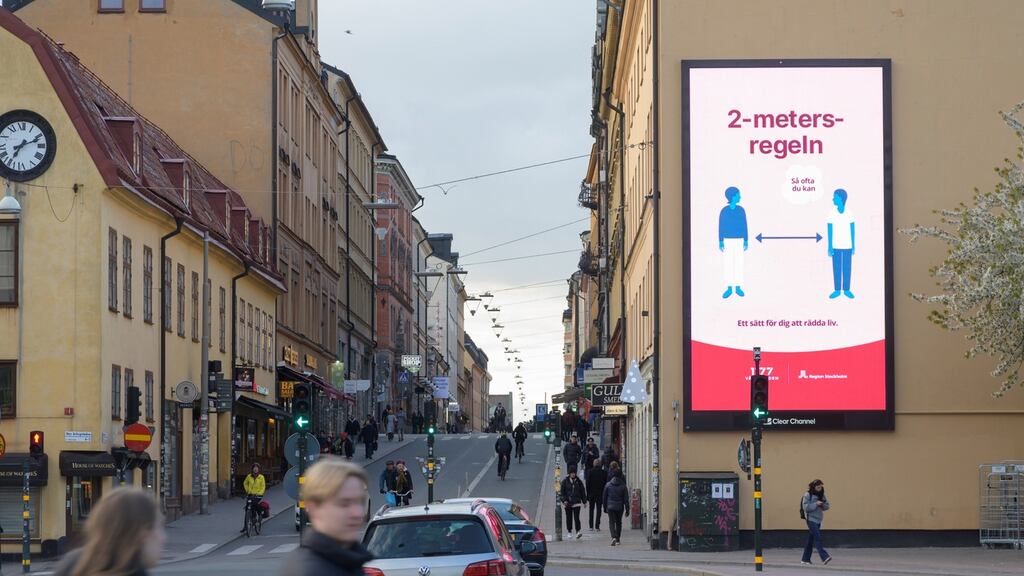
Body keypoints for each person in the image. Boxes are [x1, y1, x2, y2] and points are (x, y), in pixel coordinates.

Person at [279, 457, 373, 575]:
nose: (358, 513)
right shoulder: (311, 570)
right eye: (344, 503)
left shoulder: (346, 559)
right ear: (314, 508)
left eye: (359, 501)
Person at [54, 488, 164, 576]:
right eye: (158, 527)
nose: (163, 538)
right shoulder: (132, 571)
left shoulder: (72, 564)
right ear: (141, 532)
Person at [719, 185, 748, 299]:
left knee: (738, 262)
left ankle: (738, 286)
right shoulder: (724, 211)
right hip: (728, 240)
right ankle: (729, 287)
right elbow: (721, 226)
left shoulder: (741, 210)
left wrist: (746, 240)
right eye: (738, 195)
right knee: (729, 262)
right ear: (733, 196)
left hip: (739, 240)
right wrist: (721, 241)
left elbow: (744, 225)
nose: (740, 196)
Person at [827, 188, 856, 299]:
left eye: (835, 197)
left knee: (847, 267)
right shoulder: (831, 213)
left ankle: (847, 290)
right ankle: (837, 290)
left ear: (840, 198)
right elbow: (829, 230)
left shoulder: (849, 213)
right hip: (836, 246)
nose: (833, 199)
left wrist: (853, 246)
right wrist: (829, 246)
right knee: (837, 267)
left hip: (847, 245)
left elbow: (852, 230)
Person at [801, 479, 832, 565]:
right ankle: (824, 557)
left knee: (810, 540)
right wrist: (816, 504)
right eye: (818, 487)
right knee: (818, 538)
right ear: (814, 487)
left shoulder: (822, 495)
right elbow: (806, 508)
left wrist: (822, 504)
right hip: (810, 519)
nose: (820, 489)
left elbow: (827, 506)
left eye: (821, 487)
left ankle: (805, 559)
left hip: (818, 519)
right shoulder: (808, 495)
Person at [603, 461, 629, 546]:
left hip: (610, 506)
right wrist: (627, 509)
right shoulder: (623, 486)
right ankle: (618, 539)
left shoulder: (608, 485)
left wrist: (604, 507)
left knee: (611, 522)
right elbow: (626, 499)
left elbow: (605, 497)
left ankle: (613, 537)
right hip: (619, 506)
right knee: (618, 522)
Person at [560, 466, 586, 539]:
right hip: (568, 503)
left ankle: (578, 531)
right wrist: (564, 500)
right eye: (572, 473)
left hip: (577, 502)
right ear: (569, 473)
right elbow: (562, 492)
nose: (573, 474)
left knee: (577, 518)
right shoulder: (565, 481)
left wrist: (584, 501)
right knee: (569, 518)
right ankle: (569, 531)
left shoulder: (578, 481)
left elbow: (582, 491)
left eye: (574, 473)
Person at [240, 463, 266, 532]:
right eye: (254, 468)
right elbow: (245, 483)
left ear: (259, 469)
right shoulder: (249, 476)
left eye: (257, 468)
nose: (255, 469)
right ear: (252, 469)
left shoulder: (261, 477)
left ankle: (259, 513)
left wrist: (259, 493)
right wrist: (247, 490)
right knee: (247, 509)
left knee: (254, 503)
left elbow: (263, 487)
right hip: (250, 494)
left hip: (258, 495)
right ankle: (245, 527)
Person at [585, 457, 607, 532]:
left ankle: (591, 526)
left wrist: (587, 494)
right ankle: (597, 526)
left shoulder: (590, 472)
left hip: (591, 494)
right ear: (600, 464)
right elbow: (605, 484)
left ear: (594, 464)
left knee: (591, 510)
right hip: (600, 494)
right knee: (598, 510)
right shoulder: (603, 472)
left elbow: (587, 483)